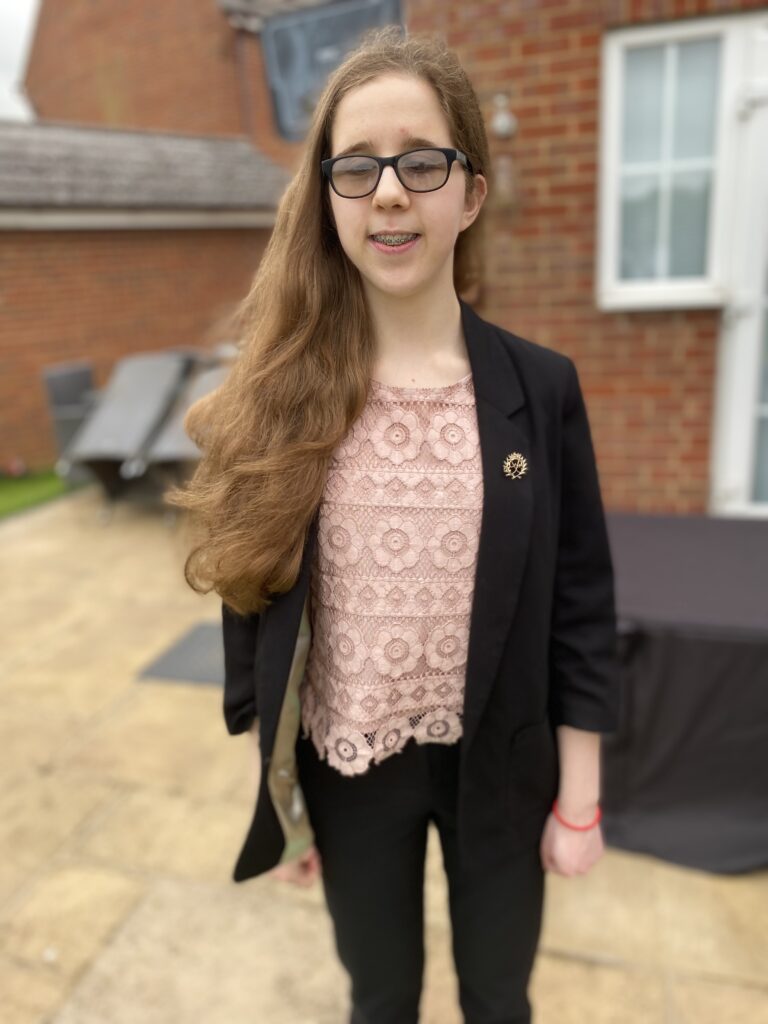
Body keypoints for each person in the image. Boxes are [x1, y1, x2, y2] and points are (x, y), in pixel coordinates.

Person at [169, 25, 621, 1024]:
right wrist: (279, 796)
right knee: (379, 996)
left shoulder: (540, 389)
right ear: (327, 197)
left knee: (500, 996)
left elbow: (583, 602)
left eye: (421, 161)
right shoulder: (283, 396)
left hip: (501, 763)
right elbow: (252, 605)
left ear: (471, 192)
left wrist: (580, 797)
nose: (388, 191)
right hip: (346, 764)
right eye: (357, 166)